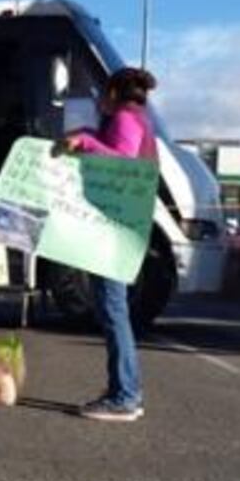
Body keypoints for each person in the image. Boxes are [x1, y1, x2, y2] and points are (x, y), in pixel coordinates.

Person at [58, 67, 159, 422]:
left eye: (103, 92)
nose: (99, 98)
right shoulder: (136, 117)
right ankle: (123, 389)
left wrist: (85, 142)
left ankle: (125, 396)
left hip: (114, 230)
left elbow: (122, 165)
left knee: (114, 310)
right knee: (112, 308)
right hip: (119, 227)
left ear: (114, 93)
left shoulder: (124, 119)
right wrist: (88, 135)